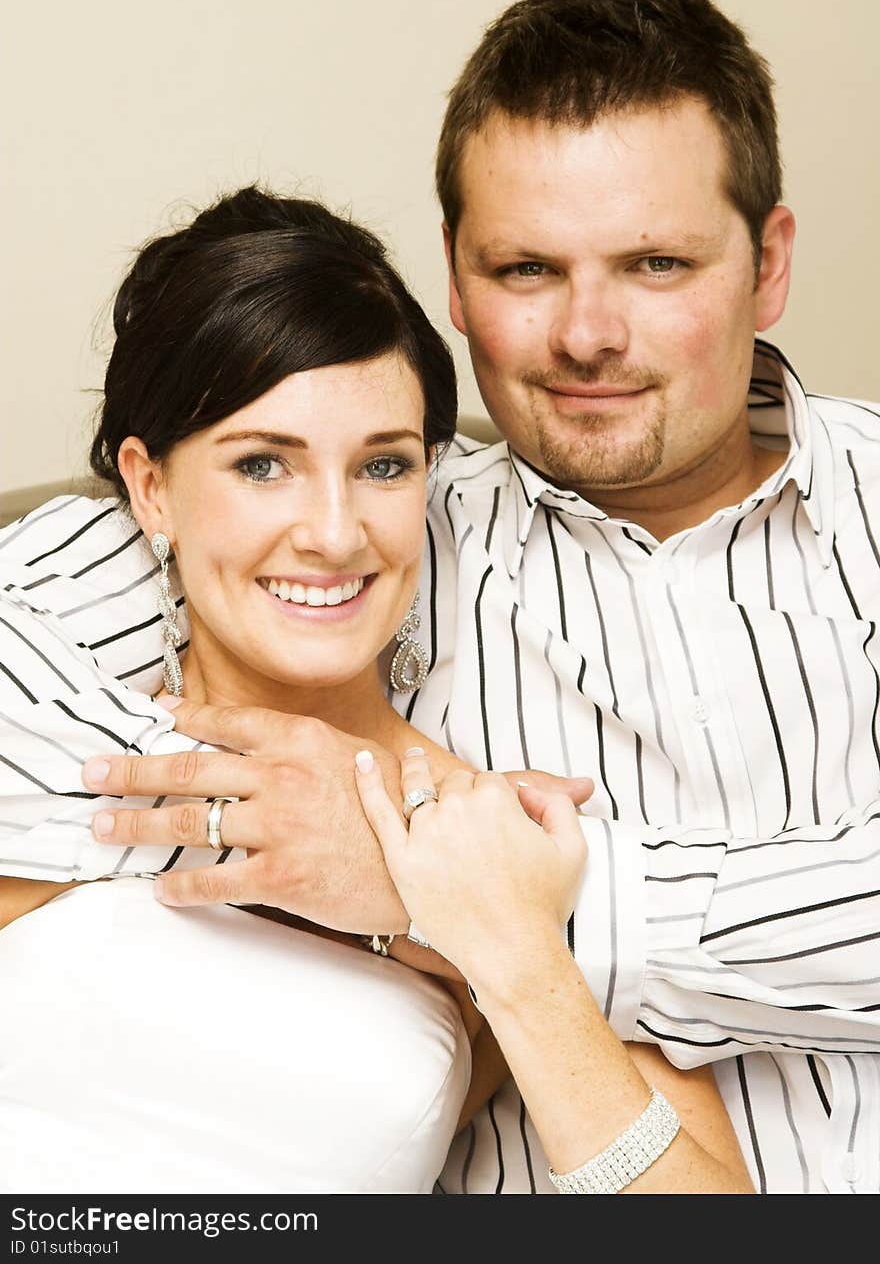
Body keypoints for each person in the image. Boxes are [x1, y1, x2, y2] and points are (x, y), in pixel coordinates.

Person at [2, 0, 877, 1194]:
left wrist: (470, 891)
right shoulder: (403, 521)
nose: (586, 333)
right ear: (459, 281)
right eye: (527, 269)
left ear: (768, 261)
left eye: (656, 265)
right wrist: (282, 823)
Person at [0, 185, 752, 1194]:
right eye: (263, 464)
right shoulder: (49, 754)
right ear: (148, 486)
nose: (335, 532)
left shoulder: (499, 833)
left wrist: (492, 939)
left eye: (382, 466)